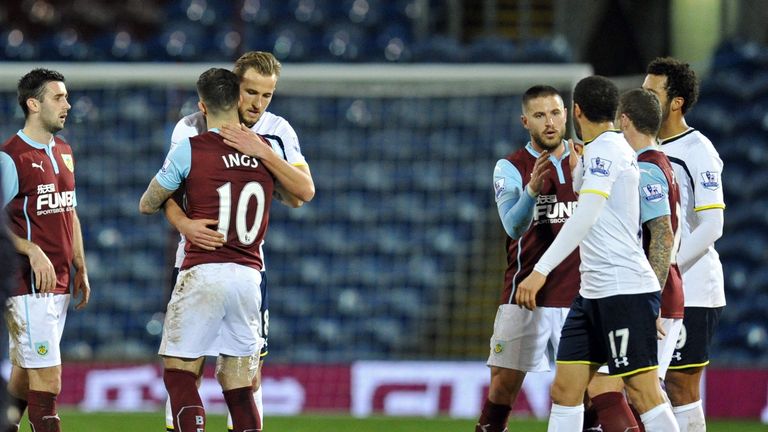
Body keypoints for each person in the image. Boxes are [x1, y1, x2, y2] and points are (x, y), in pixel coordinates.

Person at [162, 51, 315, 432]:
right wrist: (184, 224)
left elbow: (303, 191)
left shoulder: (278, 131)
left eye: (267, 96)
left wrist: (262, 150)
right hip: (193, 261)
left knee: (247, 376)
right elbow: (167, 190)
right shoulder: (191, 127)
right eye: (251, 92)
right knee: (187, 370)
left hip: (248, 266)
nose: (257, 104)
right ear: (234, 86)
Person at [516, 75, 678, 432]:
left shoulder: (608, 149)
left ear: (575, 111)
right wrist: (576, 173)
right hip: (592, 293)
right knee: (566, 390)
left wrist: (541, 269)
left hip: (623, 288)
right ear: (616, 111)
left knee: (643, 391)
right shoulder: (599, 152)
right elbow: (600, 209)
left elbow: (587, 214)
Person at [140, 68, 280, 431]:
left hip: (204, 269)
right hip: (250, 275)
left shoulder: (191, 147)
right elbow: (298, 194)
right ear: (238, 101)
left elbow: (148, 202)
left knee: (179, 373)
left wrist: (183, 216)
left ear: (201, 106)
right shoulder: (267, 149)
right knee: (239, 387)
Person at [476, 85, 580, 432]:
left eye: (554, 113)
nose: (549, 122)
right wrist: (532, 190)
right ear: (525, 121)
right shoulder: (510, 167)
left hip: (579, 294)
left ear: (566, 114)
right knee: (502, 388)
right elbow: (513, 226)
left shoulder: (587, 158)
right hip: (524, 295)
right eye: (539, 115)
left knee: (592, 392)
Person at [584, 88, 683, 431]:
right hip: (646, 292)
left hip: (651, 294)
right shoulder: (660, 164)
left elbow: (663, 236)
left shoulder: (647, 170)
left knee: (629, 391)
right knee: (612, 390)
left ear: (624, 121)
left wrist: (650, 302)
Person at [0, 68, 91, 431]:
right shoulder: (11, 157)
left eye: (67, 97)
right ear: (33, 104)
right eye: (59, 97)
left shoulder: (65, 151)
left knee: (24, 376)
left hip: (60, 280)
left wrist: (81, 264)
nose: (67, 104)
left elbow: (69, 209)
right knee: (49, 382)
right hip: (27, 285)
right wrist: (29, 248)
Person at [643, 57, 725, 432]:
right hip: (654, 283)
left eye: (651, 93)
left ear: (676, 102)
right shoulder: (645, 148)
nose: (643, 99)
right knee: (646, 384)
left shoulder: (698, 149)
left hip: (691, 286)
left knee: (679, 385)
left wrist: (666, 267)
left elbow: (712, 225)